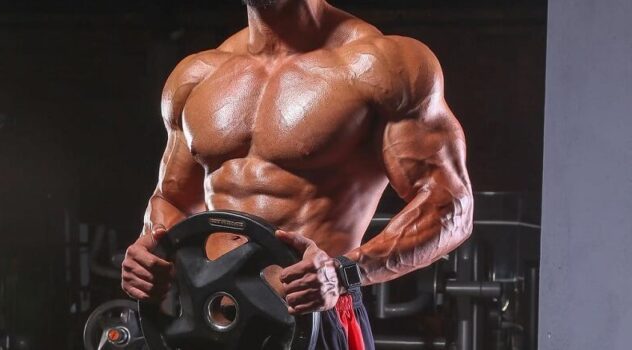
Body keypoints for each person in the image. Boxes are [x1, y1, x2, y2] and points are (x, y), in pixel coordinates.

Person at [121, 0, 474, 349]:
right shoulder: (196, 75)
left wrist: (344, 272)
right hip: (210, 319)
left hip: (312, 320)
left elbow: (450, 206)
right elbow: (170, 199)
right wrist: (151, 253)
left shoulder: (382, 65)